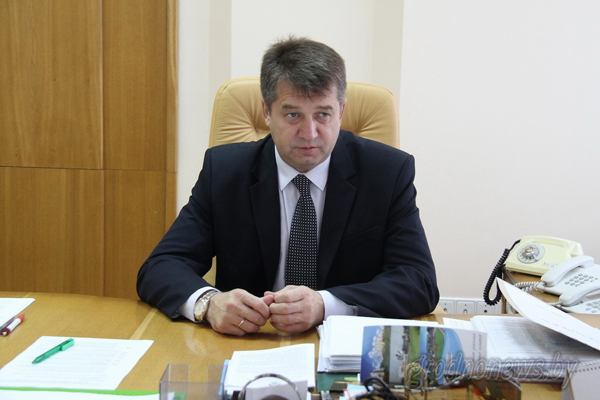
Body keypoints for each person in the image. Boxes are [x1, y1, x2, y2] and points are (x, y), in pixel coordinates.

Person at [137, 36, 439, 336]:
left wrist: (324, 304)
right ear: (267, 111)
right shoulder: (226, 172)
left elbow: (419, 281)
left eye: (323, 114)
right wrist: (209, 302)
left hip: (344, 345)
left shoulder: (386, 173)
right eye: (293, 114)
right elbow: (161, 266)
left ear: (341, 112)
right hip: (248, 342)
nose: (309, 133)